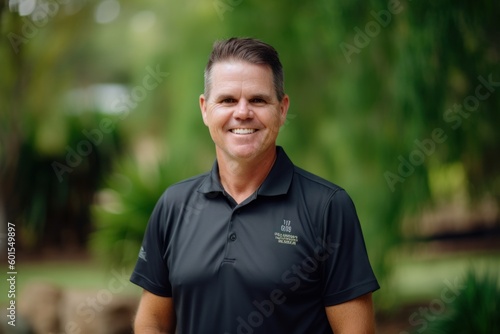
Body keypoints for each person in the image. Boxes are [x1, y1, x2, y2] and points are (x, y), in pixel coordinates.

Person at [130, 37, 380, 334]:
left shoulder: (327, 207)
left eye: (258, 100)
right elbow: (152, 321)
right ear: (205, 109)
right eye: (227, 100)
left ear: (282, 109)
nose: (243, 112)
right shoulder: (174, 205)